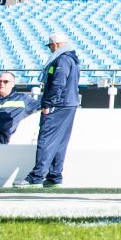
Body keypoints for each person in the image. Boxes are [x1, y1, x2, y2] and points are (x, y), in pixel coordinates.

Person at [13, 32, 80, 187]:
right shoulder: (72, 59)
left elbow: (58, 83)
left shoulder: (62, 60)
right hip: (68, 104)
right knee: (60, 141)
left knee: (46, 139)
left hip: (58, 104)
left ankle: (36, 177)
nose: (50, 49)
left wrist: (48, 104)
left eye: (50, 46)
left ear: (55, 44)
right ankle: (54, 176)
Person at [0, 71, 37, 145]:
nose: (1, 84)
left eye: (5, 81)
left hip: (2, 136)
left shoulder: (22, 99)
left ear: (12, 84)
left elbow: (45, 106)